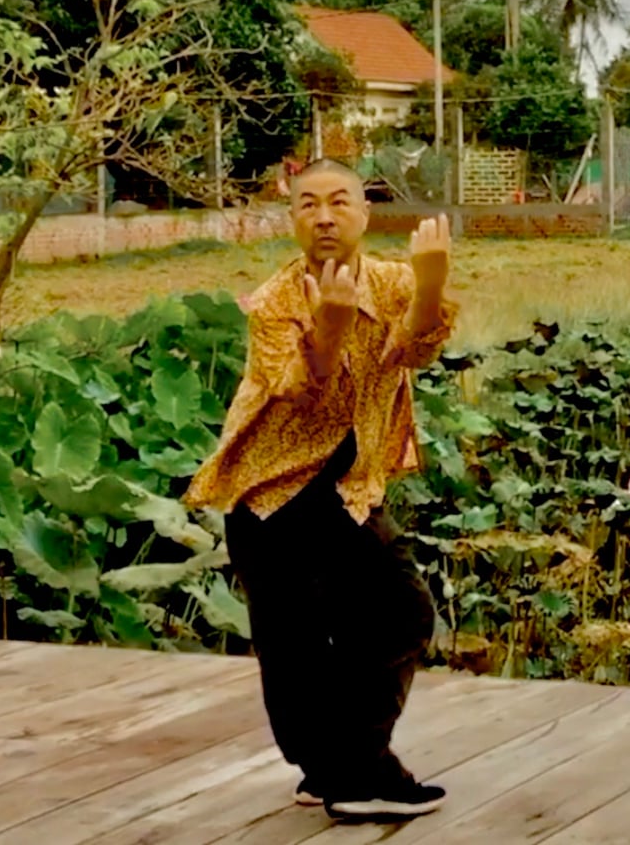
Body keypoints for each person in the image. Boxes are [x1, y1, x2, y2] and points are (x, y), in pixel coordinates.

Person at [183, 158, 458, 823]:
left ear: (365, 214)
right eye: (309, 205)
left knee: (399, 614)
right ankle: (344, 776)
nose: (326, 216)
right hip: (271, 495)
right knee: (295, 644)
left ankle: (345, 765)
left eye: (339, 202)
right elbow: (306, 394)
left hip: (347, 485)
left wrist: (431, 283)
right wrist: (330, 324)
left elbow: (415, 349)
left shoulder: (391, 281)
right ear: (294, 220)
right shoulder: (274, 303)